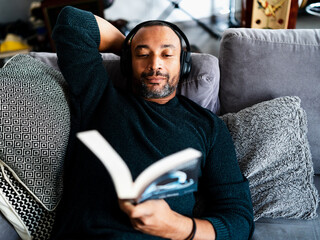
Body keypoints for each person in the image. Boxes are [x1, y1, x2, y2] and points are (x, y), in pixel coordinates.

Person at [50, 6, 254, 240]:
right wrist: (127, 46)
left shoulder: (209, 127)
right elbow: (72, 22)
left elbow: (240, 220)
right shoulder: (97, 96)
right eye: (143, 54)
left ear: (184, 64)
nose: (155, 64)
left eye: (167, 54)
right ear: (127, 62)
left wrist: (176, 226)